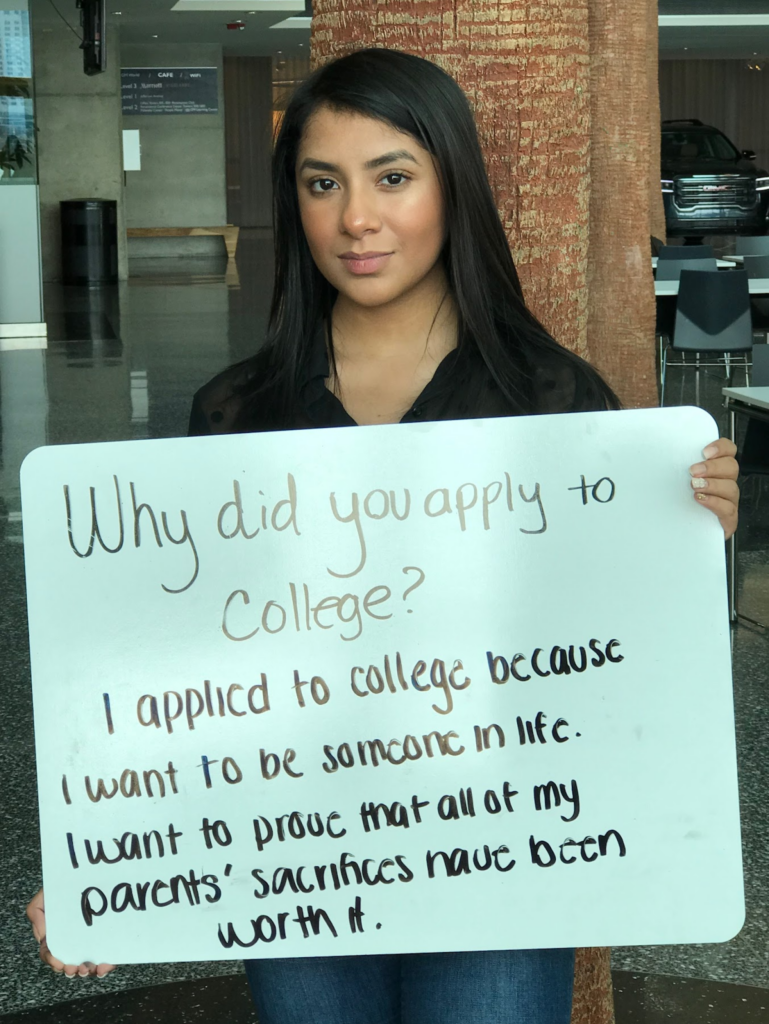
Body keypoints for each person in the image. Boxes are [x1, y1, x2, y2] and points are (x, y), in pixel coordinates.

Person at [27, 46, 740, 1023]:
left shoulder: (554, 407)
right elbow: (183, 676)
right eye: (323, 183)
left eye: (392, 178)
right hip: (295, 848)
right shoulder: (238, 414)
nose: (355, 217)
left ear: (453, 189)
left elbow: (621, 664)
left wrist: (689, 533)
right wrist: (101, 856)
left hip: (504, 851)